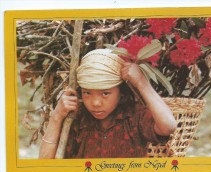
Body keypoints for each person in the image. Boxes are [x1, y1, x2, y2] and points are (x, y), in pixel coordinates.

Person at [39, 49, 176, 159]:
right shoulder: (76, 117)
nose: (95, 103)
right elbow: (45, 164)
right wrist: (56, 116)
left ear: (121, 92)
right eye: (87, 93)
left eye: (105, 93)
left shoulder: (134, 115)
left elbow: (168, 126)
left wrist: (141, 83)